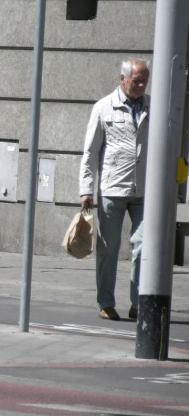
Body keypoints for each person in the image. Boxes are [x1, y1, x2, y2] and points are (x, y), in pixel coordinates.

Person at [79, 58, 150, 321]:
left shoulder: (152, 106)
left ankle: (139, 303)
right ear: (122, 79)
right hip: (112, 189)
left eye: (145, 80)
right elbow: (90, 152)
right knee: (108, 248)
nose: (141, 85)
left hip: (143, 190)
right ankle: (106, 302)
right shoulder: (104, 107)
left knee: (143, 246)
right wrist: (86, 189)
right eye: (136, 81)